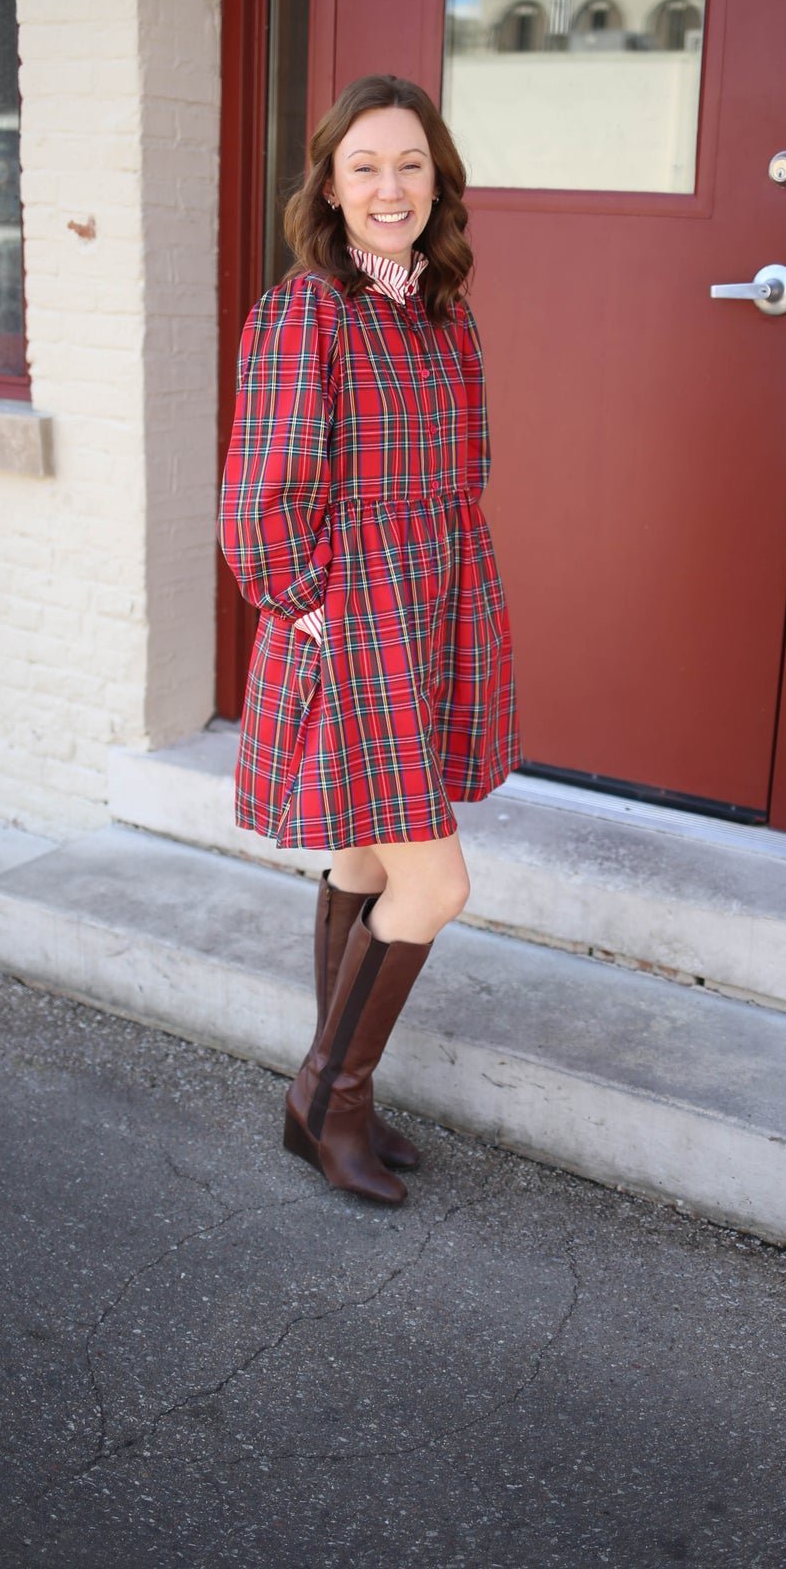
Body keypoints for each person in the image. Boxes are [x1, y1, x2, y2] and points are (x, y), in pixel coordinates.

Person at [218, 73, 521, 1207]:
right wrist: (326, 617)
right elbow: (256, 504)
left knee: (364, 855)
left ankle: (334, 1095)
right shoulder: (310, 313)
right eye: (365, 167)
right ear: (331, 189)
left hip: (434, 604)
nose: (390, 187)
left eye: (409, 164)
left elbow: (458, 479)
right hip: (355, 628)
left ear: (437, 177)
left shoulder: (441, 311)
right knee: (433, 884)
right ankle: (327, 1098)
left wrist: (439, 596)